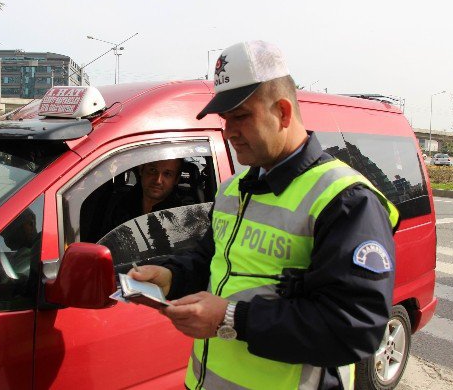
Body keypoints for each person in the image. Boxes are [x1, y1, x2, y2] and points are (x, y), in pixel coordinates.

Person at [129, 41, 399, 390]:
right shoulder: (232, 189)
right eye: (225, 119)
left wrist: (231, 318)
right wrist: (170, 275)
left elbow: (355, 328)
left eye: (241, 116)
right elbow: (211, 260)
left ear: (284, 113)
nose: (228, 132)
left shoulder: (345, 200)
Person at [97, 158, 184, 238]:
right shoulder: (122, 204)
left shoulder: (180, 217)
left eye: (167, 174)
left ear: (176, 179)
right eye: (152, 170)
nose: (158, 180)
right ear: (141, 170)